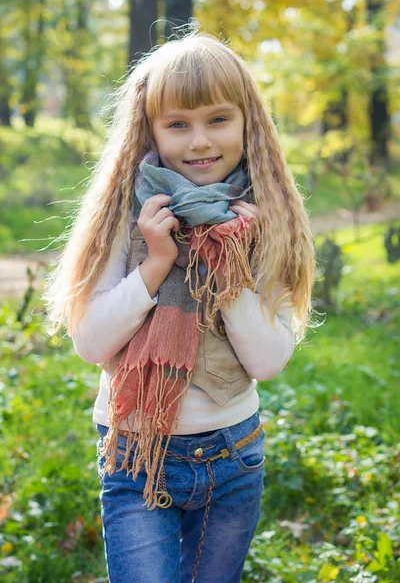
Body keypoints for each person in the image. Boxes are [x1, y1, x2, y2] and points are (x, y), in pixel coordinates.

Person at [45, 30, 316, 583]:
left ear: (248, 123)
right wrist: (156, 265)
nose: (199, 141)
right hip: (137, 455)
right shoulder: (123, 212)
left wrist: (225, 267)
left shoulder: (268, 217)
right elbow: (91, 343)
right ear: (150, 128)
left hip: (232, 454)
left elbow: (266, 362)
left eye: (218, 119)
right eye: (178, 124)